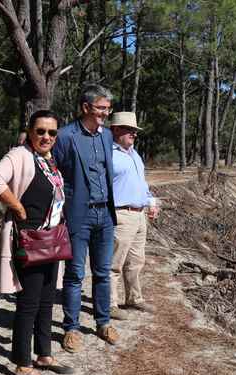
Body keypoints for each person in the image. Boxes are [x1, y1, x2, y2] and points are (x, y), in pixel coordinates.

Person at [0, 110, 73, 375]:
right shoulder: (20, 155)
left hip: (52, 240)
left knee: (47, 299)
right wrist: (17, 205)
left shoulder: (49, 159)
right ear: (30, 131)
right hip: (30, 241)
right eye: (41, 131)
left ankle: (44, 354)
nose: (46, 137)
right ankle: (22, 363)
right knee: (29, 302)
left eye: (51, 133)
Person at [53, 84, 119, 353]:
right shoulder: (65, 136)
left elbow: (106, 172)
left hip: (105, 213)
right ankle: (71, 327)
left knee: (103, 272)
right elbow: (55, 175)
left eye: (108, 108)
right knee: (75, 274)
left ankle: (103, 323)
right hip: (79, 214)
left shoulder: (106, 137)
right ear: (85, 108)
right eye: (101, 108)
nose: (105, 113)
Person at [108, 112, 159, 321]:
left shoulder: (134, 154)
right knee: (113, 263)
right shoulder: (108, 154)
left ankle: (134, 298)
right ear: (116, 129)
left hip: (139, 216)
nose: (134, 135)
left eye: (135, 131)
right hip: (120, 215)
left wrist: (151, 203)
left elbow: (142, 184)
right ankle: (109, 304)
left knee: (136, 261)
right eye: (130, 130)